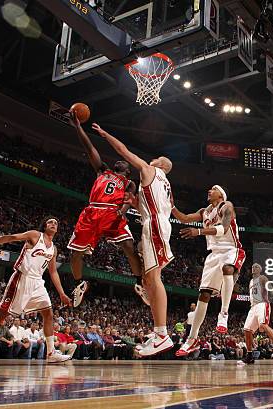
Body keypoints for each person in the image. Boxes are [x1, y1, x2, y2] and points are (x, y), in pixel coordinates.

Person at [95, 122, 174, 357]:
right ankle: (157, 331)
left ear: (160, 164)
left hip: (155, 226)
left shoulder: (151, 171)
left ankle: (162, 335)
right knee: (149, 278)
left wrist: (104, 133)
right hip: (156, 223)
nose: (152, 159)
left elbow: (123, 152)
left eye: (156, 158)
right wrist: (135, 203)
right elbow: (152, 208)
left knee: (153, 277)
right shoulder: (164, 184)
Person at [67, 111, 147, 307]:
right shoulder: (103, 170)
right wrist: (78, 127)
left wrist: (123, 210)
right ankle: (79, 285)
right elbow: (89, 148)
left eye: (125, 164)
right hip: (93, 212)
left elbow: (129, 199)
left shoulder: (128, 182)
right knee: (75, 254)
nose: (120, 162)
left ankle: (139, 284)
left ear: (128, 171)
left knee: (129, 247)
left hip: (113, 213)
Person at [0, 217, 72, 363]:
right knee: (2, 315)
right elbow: (10, 237)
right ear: (44, 225)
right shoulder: (35, 235)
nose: (53, 224)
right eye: (50, 222)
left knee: (48, 314)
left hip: (38, 282)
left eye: (56, 223)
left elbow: (53, 272)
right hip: (22, 278)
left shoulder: (53, 248)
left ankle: (51, 353)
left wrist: (62, 293)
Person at [174, 185, 245, 356]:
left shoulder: (226, 206)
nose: (209, 190)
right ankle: (191, 339)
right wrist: (170, 205)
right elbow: (183, 218)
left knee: (228, 268)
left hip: (231, 249)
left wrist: (198, 231)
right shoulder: (204, 211)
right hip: (213, 254)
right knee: (204, 294)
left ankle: (224, 314)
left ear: (221, 194)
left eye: (214, 188)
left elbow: (223, 229)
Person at [237, 263, 273, 365]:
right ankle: (249, 356)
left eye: (256, 266)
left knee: (263, 325)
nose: (254, 267)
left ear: (260, 270)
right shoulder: (251, 281)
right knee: (247, 331)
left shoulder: (262, 278)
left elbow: (270, 288)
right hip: (253, 307)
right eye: (252, 266)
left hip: (262, 304)